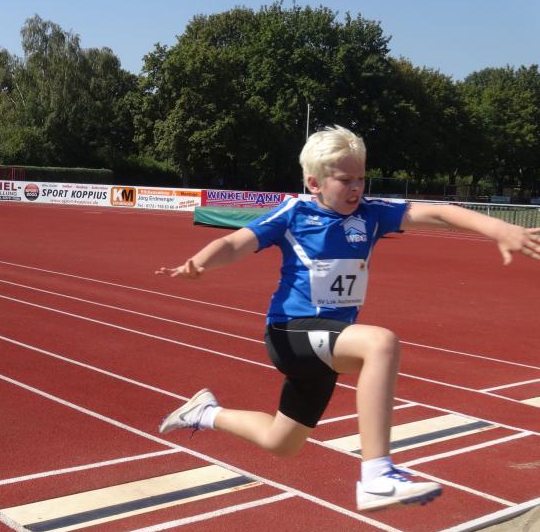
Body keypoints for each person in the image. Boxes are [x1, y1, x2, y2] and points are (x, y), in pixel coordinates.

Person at [157, 125, 540, 512]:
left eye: (361, 178)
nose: (356, 187)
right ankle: (376, 476)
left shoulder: (372, 214)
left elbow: (441, 213)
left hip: (330, 341)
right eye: (345, 180)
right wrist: (200, 263)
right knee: (380, 343)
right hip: (289, 333)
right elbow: (235, 242)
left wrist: (499, 228)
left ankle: (204, 412)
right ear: (314, 183)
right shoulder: (295, 213)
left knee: (282, 441)